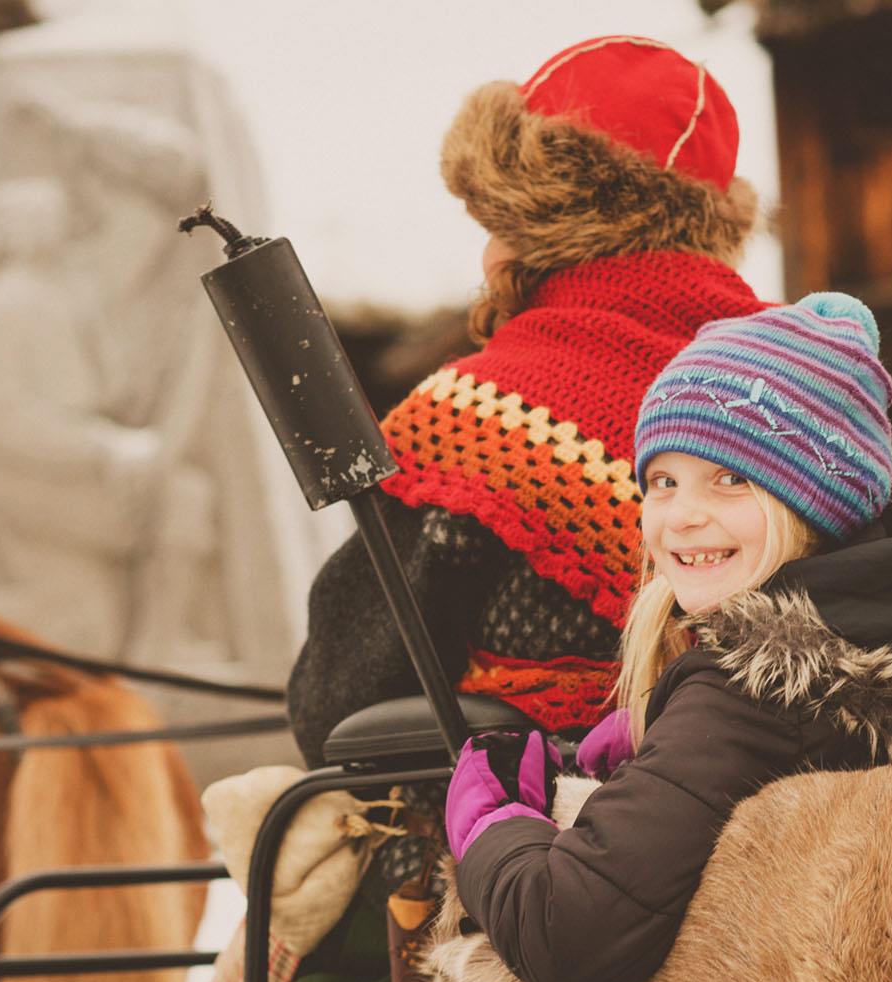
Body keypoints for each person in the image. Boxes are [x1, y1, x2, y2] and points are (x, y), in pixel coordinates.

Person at [444, 295, 892, 982]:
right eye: (664, 482)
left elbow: (563, 928)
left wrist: (491, 820)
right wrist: (667, 751)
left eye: (731, 479)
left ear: (818, 496)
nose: (684, 514)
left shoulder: (755, 690)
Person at [287, 35, 768, 767]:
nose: (485, 256)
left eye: (493, 223)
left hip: (538, 849)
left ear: (537, 226)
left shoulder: (481, 419)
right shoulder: (804, 389)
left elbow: (335, 701)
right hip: (794, 827)